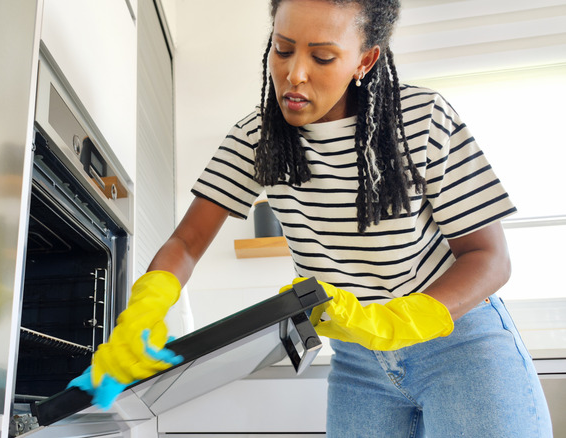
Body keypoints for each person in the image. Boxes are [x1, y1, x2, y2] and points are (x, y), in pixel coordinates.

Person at [84, 0, 553, 436]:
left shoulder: (422, 119)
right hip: (358, 364)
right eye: (282, 49)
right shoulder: (256, 138)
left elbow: (489, 258)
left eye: (322, 57)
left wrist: (398, 322)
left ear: (364, 61)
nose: (294, 74)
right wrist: (141, 314)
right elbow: (187, 242)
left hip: (460, 348)